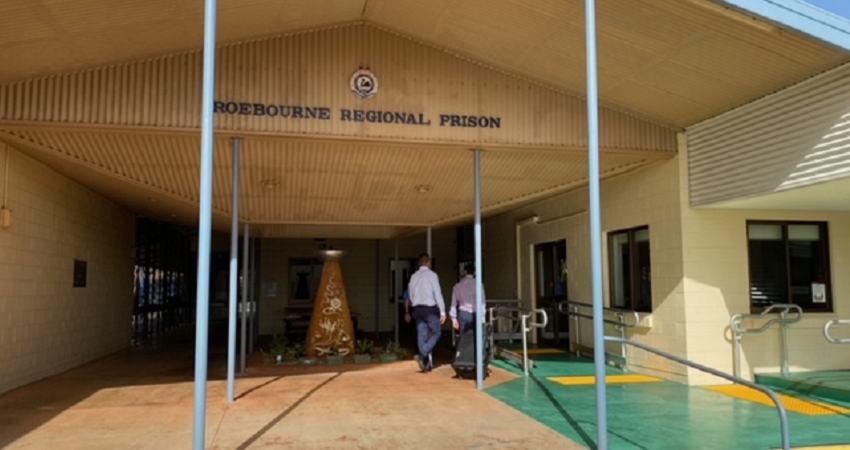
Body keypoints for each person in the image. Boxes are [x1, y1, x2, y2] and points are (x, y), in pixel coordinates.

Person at [405, 253, 445, 372]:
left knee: (421, 334)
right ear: (429, 262)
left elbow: (411, 295)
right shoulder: (432, 275)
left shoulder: (413, 276)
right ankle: (424, 352)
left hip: (417, 308)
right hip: (429, 308)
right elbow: (437, 294)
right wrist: (442, 310)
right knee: (436, 332)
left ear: (419, 263)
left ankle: (425, 360)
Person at [450, 263, 486, 334]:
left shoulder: (458, 286)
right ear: (475, 272)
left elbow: (453, 303)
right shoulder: (479, 285)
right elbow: (482, 302)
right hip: (476, 313)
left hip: (463, 313)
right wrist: (483, 317)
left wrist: (453, 318)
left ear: (465, 272)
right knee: (477, 336)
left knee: (464, 337)